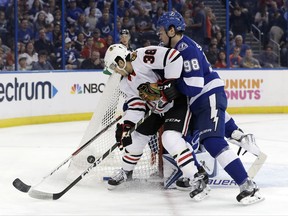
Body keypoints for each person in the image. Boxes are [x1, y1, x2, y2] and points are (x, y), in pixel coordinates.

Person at [157, 11, 264, 205]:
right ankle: (199, 176)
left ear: (172, 30)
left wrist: (173, 87)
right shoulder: (177, 49)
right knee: (182, 139)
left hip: (208, 96)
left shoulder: (185, 49)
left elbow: (195, 85)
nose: (160, 35)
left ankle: (248, 185)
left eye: (162, 31)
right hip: (199, 102)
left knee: (213, 142)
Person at [103, 43, 210, 201]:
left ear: (120, 61)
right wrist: (128, 126)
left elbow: (173, 57)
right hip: (155, 109)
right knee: (135, 139)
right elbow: (136, 105)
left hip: (176, 103)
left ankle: (196, 177)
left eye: (114, 66)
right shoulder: (124, 83)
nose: (114, 71)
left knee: (170, 139)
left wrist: (169, 84)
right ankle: (126, 171)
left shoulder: (142, 55)